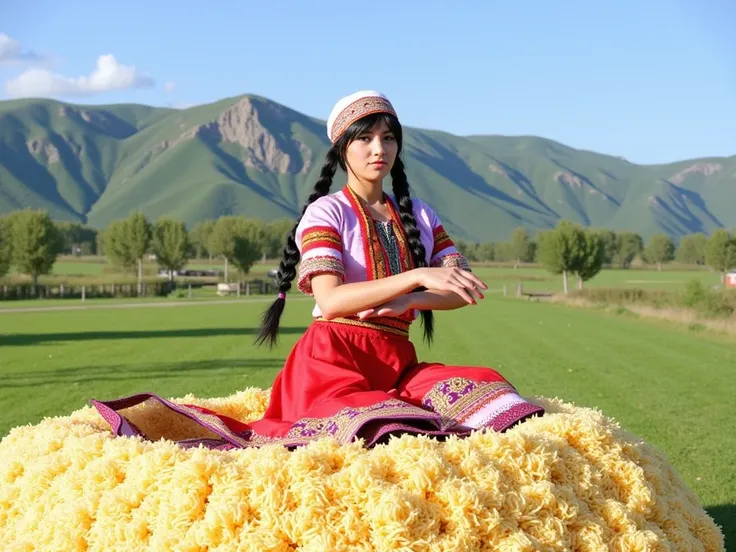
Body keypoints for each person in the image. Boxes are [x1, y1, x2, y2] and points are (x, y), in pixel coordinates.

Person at [91, 91, 544, 450]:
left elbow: (460, 288)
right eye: (365, 139)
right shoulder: (327, 213)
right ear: (343, 148)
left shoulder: (420, 214)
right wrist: (415, 277)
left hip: (396, 359)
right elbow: (330, 300)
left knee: (492, 396)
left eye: (388, 138)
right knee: (387, 425)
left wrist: (409, 301)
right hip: (332, 360)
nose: (378, 149)